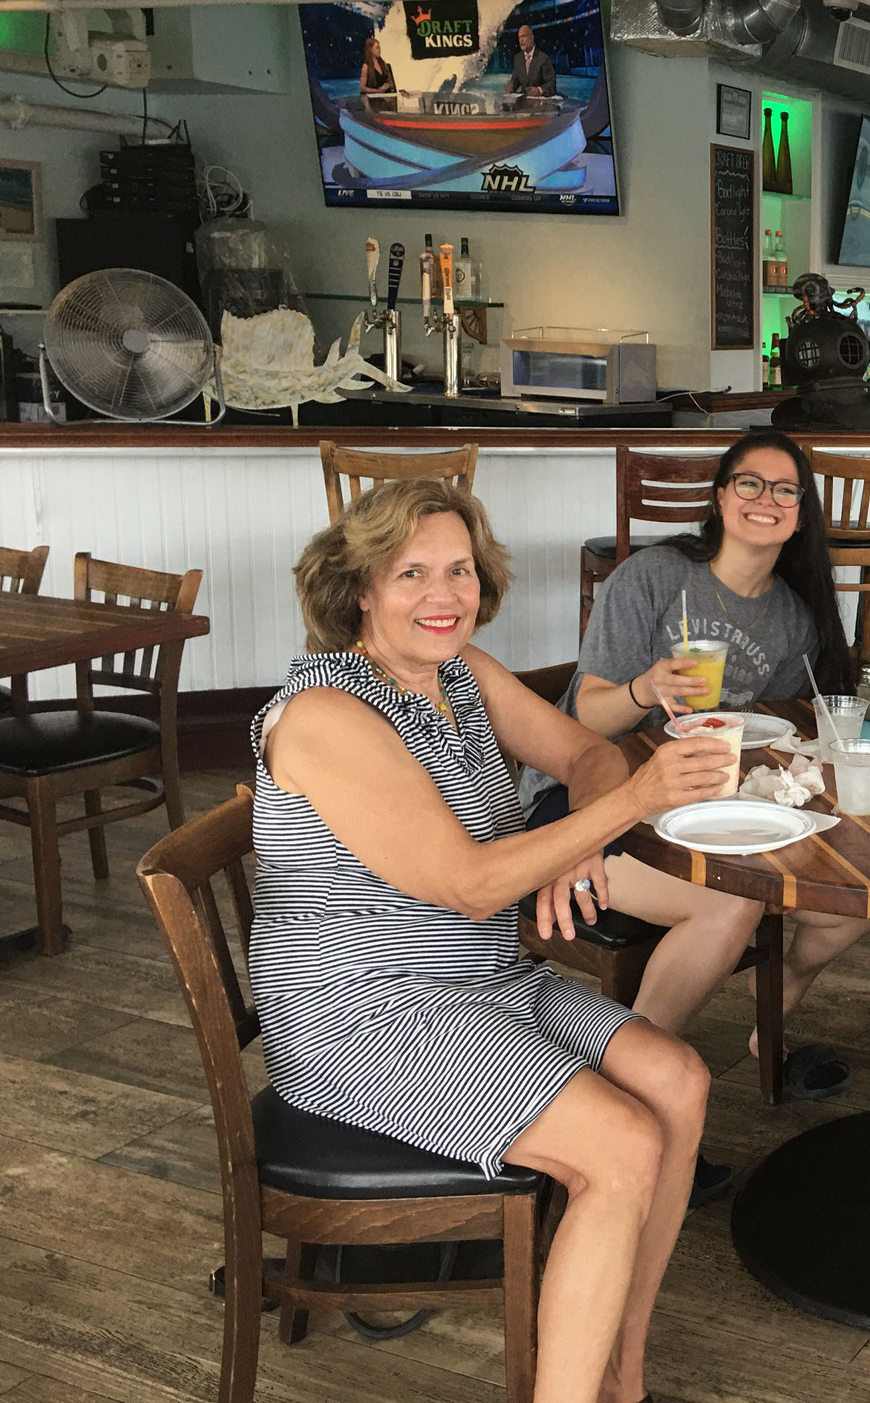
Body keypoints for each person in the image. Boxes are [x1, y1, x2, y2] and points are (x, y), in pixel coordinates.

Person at [255, 479, 734, 1403]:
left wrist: (579, 837)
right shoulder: (325, 715)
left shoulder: (461, 674)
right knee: (622, 1144)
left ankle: (619, 1375)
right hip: (358, 1012)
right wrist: (633, 804)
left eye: (460, 571)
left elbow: (591, 755)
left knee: (680, 1079)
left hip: (480, 977)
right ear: (359, 589)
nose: (444, 595)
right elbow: (466, 881)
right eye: (412, 574)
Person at [521, 432, 870, 1130]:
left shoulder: (793, 621)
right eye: (749, 484)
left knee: (853, 894)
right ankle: (626, 1090)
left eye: (784, 490)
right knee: (732, 905)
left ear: (801, 514)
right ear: (720, 497)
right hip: (581, 809)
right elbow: (589, 714)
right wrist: (646, 688)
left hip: (696, 801)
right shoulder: (653, 579)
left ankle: (785, 989)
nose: (765, 500)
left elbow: (762, 733)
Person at [506, 24, 559, 98]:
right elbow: (515, 81)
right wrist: (511, 86)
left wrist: (539, 90)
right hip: (523, 104)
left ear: (532, 38)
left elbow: (551, 84)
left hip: (540, 103)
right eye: (519, 37)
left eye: (524, 36)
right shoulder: (518, 58)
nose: (521, 40)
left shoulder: (543, 58)